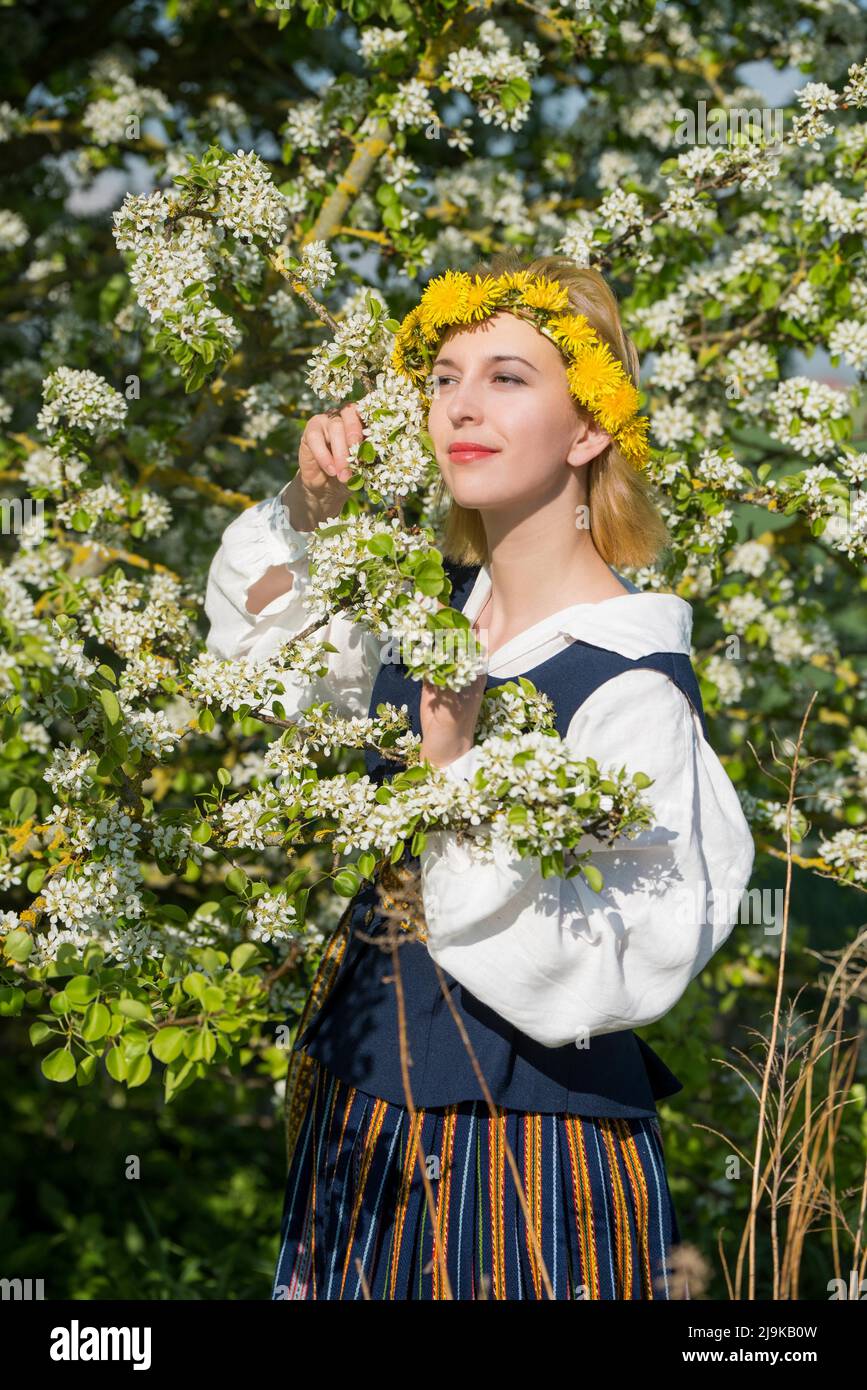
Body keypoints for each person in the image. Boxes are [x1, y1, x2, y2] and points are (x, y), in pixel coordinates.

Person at [204, 253, 755, 1300]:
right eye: (445, 375)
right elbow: (257, 653)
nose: (461, 404)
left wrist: (448, 774)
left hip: (523, 1164)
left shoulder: (628, 682)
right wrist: (311, 507)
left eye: (508, 377)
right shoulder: (427, 607)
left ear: (588, 427)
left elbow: (618, 960)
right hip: (359, 1123)